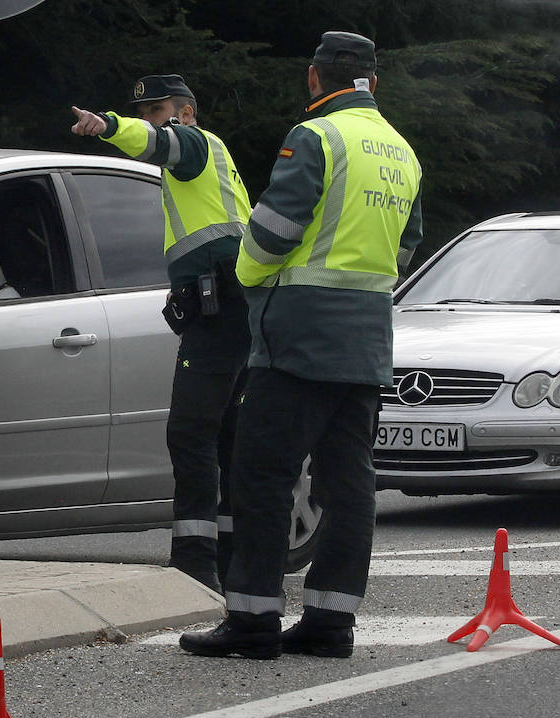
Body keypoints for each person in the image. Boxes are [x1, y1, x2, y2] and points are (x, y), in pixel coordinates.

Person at [179, 31, 424, 659]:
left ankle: (254, 620)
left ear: (315, 79)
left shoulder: (315, 136)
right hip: (366, 339)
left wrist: (248, 277)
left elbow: (271, 232)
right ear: (376, 83)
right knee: (349, 484)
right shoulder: (401, 152)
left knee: (261, 476)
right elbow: (403, 246)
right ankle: (330, 622)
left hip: (297, 338)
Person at [70, 75, 251, 592]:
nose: (150, 119)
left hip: (220, 312)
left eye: (158, 109)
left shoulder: (193, 144)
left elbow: (161, 142)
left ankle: (195, 566)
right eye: (142, 111)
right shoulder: (206, 163)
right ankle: (236, 561)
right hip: (231, 309)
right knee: (225, 436)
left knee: (192, 432)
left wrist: (107, 126)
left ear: (186, 111)